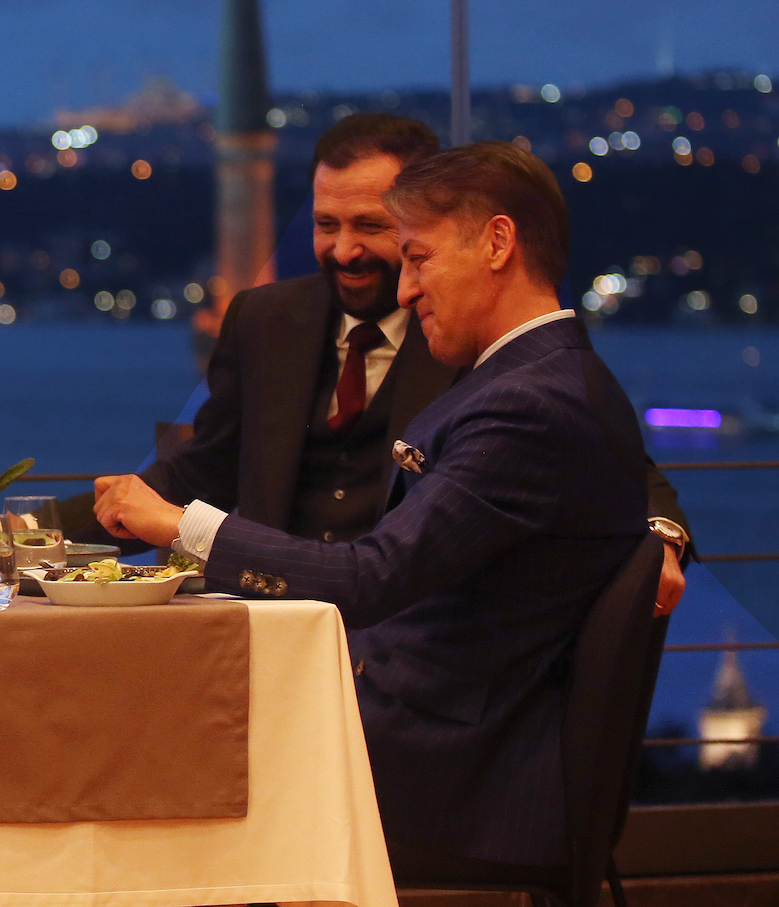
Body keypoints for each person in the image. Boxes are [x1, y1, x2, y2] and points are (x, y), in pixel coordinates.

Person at [94, 144, 654, 873]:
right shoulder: (545, 379)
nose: (407, 291)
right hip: (427, 735)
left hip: (446, 783)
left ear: (497, 243)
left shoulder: (527, 406)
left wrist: (179, 525)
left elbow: (369, 579)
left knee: (128, 765)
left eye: (418, 259)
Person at [93, 114, 691, 613]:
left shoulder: (490, 356)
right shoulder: (267, 318)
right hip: (280, 619)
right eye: (326, 225)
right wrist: (48, 533)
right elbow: (202, 467)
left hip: (392, 646)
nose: (345, 249)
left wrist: (658, 540)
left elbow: (596, 450)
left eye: (382, 233)